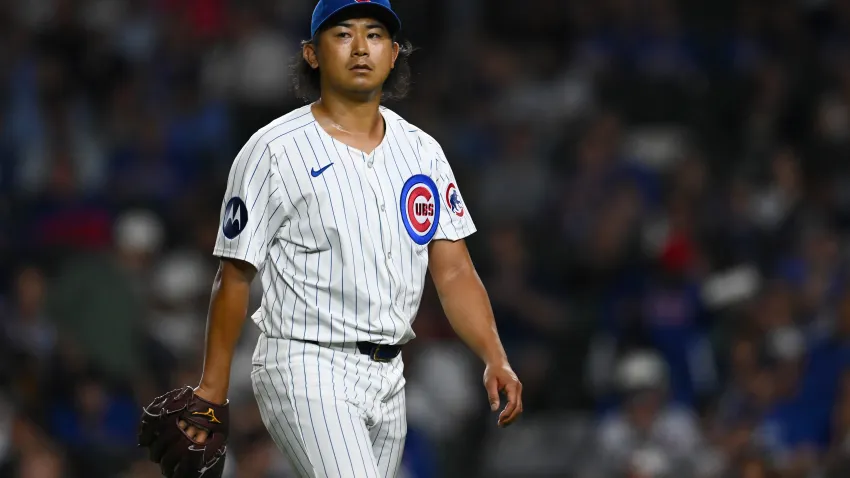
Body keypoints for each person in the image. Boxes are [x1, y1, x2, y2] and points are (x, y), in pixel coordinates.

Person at [137, 1, 523, 477]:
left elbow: (455, 270)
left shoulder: (423, 151)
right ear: (312, 54)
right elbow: (234, 274)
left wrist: (494, 356)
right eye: (343, 34)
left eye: (375, 35)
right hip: (305, 362)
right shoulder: (273, 150)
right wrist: (212, 390)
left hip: (390, 374)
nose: (361, 47)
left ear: (394, 52)